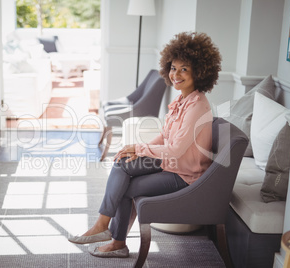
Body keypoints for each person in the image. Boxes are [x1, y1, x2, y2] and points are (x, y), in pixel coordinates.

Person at [68, 31, 222, 258]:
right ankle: (107, 232)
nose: (175, 74)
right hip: (171, 163)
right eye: (173, 68)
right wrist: (136, 148)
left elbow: (177, 149)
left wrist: (139, 149)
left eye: (184, 69)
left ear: (200, 72)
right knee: (122, 161)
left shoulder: (197, 106)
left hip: (185, 174)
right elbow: (165, 136)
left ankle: (111, 236)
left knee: (126, 187)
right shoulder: (182, 99)